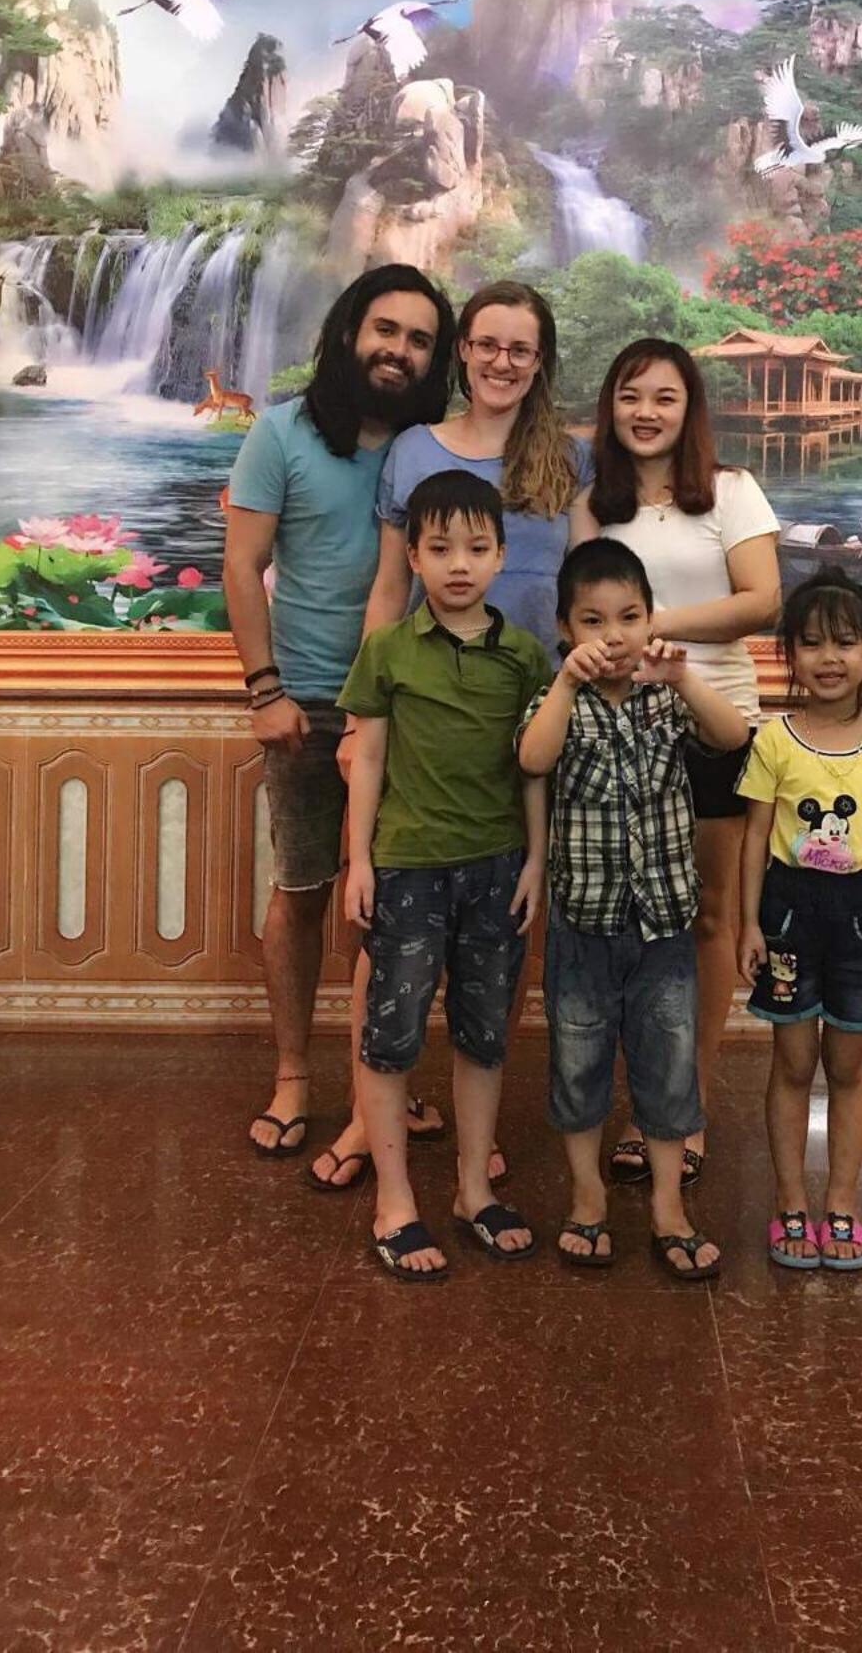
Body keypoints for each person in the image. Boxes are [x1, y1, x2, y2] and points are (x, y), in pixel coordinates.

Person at [307, 278, 589, 1189]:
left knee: (501, 935)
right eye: (487, 343)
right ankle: (367, 1116)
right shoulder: (415, 451)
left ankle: (477, 1126)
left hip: (528, 719)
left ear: (540, 362)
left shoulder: (564, 458)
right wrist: (361, 718)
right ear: (463, 351)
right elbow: (388, 590)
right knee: (388, 935)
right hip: (422, 721)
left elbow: (583, 586)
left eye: (521, 348)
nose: (503, 361)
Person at [222, 264, 454, 1157]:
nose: (399, 351)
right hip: (308, 705)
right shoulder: (280, 432)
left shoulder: (430, 448)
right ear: (352, 331)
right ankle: (292, 1075)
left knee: (393, 906)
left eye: (420, 340)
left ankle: (379, 1086)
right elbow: (242, 565)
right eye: (385, 330)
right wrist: (265, 689)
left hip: (414, 711)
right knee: (303, 891)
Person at [578, 337, 781, 1191]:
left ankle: (681, 1106)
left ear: (689, 409)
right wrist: (619, 643)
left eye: (664, 397)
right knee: (627, 923)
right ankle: (637, 1098)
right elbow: (577, 612)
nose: (646, 412)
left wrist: (653, 626)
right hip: (617, 731)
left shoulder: (731, 490)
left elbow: (762, 601)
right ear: (611, 408)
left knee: (707, 921)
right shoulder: (594, 503)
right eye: (631, 396)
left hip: (715, 723)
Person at [339, 470, 551, 1281]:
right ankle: (395, 1201)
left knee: (484, 1035)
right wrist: (361, 861)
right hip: (409, 867)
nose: (458, 564)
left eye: (476, 547)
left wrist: (535, 860)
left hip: (496, 867)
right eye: (440, 548)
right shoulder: (389, 649)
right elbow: (368, 758)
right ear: (414, 558)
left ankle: (473, 1190)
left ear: (500, 555)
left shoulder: (523, 656)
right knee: (391, 1037)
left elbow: (533, 770)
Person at [518, 539, 748, 1280]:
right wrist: (564, 683)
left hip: (665, 924)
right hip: (584, 922)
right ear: (565, 630)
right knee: (579, 1061)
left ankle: (668, 1207)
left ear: (651, 621)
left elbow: (732, 736)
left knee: (669, 1066)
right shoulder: (557, 701)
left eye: (629, 617)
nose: (612, 636)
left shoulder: (665, 696)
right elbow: (532, 758)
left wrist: (683, 677)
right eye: (592, 621)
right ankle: (587, 1197)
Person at [736, 569, 862, 1273]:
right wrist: (748, 925)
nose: (829, 658)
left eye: (845, 643)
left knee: (848, 1066)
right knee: (793, 1062)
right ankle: (791, 1201)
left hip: (861, 914)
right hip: (788, 911)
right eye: (812, 643)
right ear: (790, 654)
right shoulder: (774, 741)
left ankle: (843, 1203)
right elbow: (754, 836)